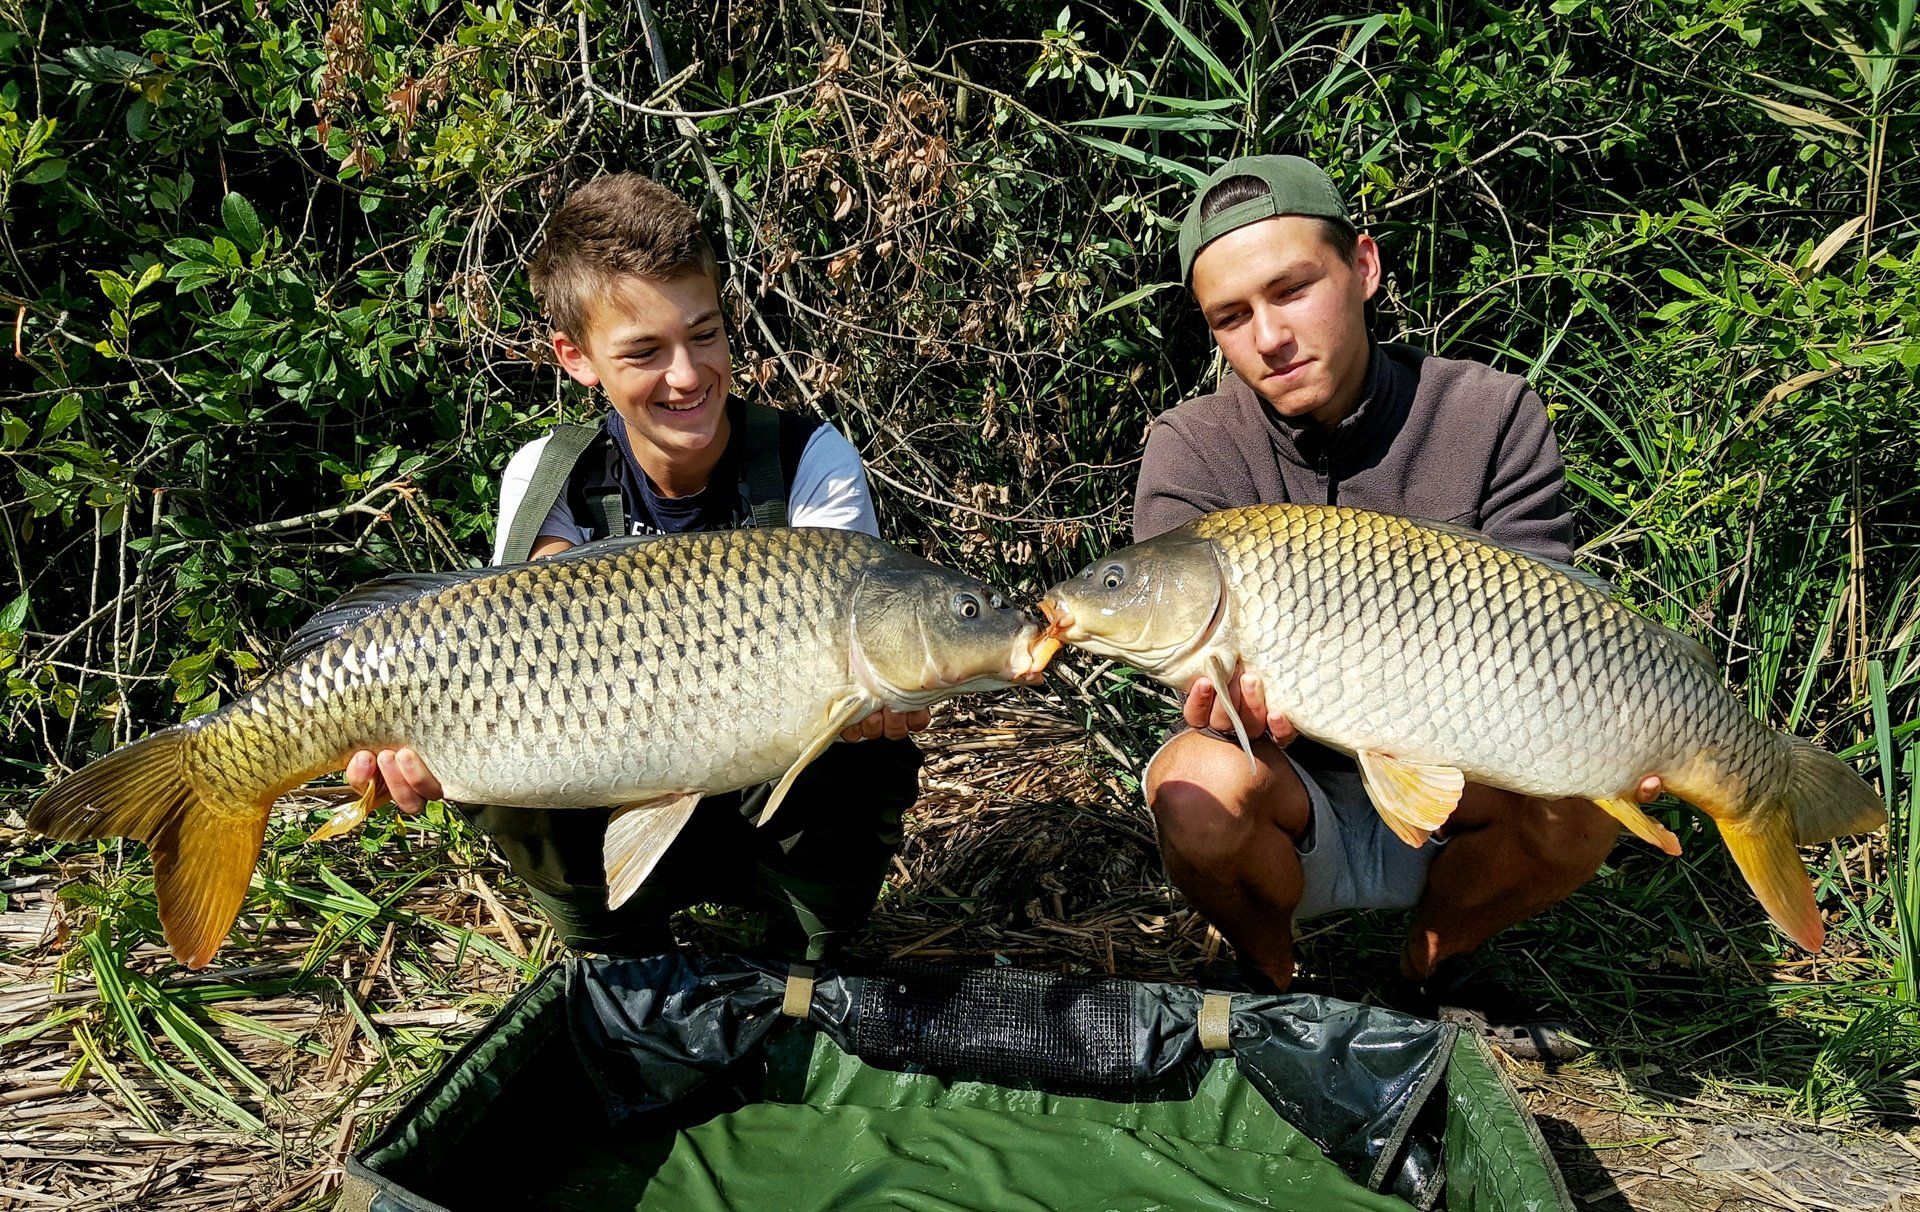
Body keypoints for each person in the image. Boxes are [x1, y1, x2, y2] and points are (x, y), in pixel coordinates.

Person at [1136, 154, 1661, 1059]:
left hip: (1467, 785)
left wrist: (1611, 740)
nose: (1268, 336)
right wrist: (1230, 709)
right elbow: (1192, 665)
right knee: (1193, 786)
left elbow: (1550, 634)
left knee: (1585, 801)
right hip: (1293, 797)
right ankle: (1266, 976)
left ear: (1364, 268)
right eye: (1231, 316)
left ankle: (1429, 967)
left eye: (1292, 290)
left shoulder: (1489, 414)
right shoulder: (1190, 449)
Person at [343, 173, 927, 961]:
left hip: (767, 794)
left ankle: (808, 936)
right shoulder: (547, 475)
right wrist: (412, 743)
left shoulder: (809, 461)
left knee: (858, 724)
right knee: (501, 724)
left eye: (706, 334)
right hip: (603, 767)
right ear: (576, 358)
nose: (688, 376)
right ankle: (611, 936)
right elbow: (530, 660)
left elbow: (860, 628)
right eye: (645, 351)